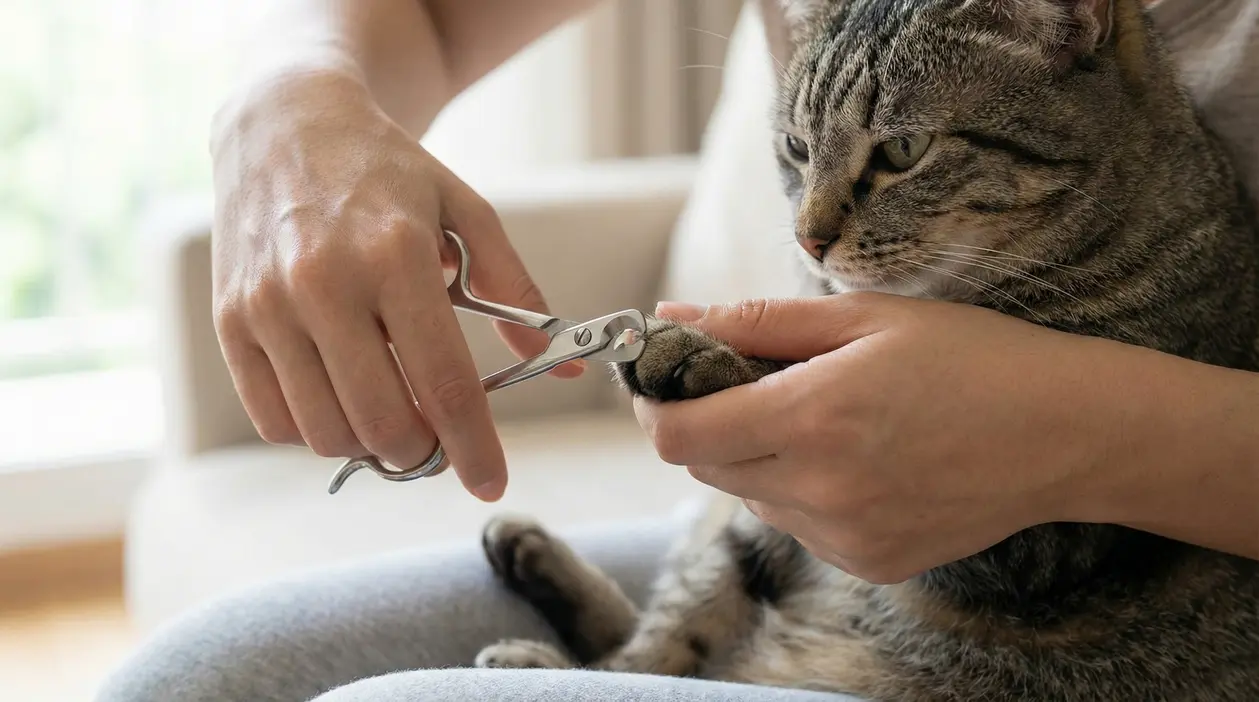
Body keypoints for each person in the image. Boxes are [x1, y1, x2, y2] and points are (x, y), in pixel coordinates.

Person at [97, 1, 1259, 700]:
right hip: (808, 582)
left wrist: (1077, 440)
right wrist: (285, 96)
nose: (815, 231)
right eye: (801, 159)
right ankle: (647, 657)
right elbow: (417, 15)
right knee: (203, 674)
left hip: (1075, 666)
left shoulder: (1151, 241)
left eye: (890, 160)